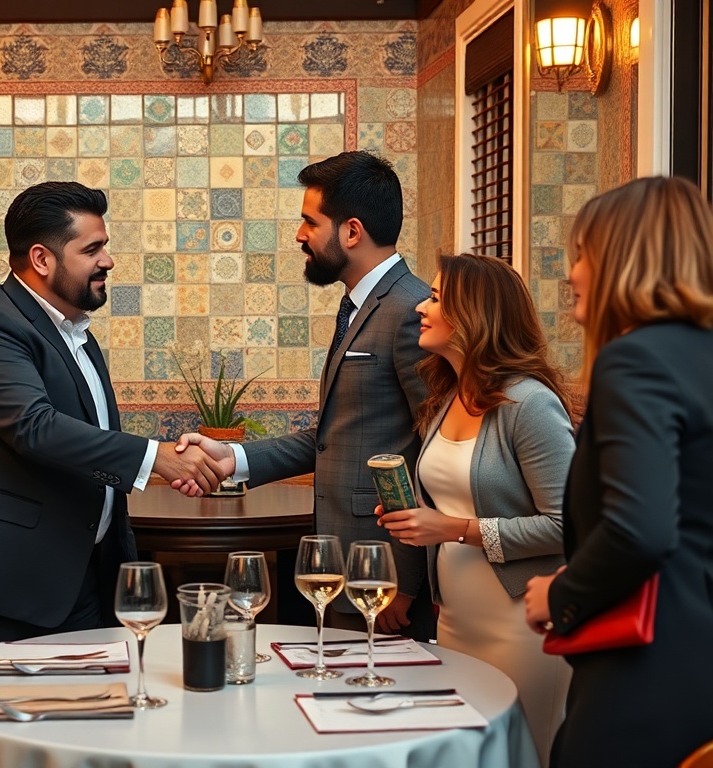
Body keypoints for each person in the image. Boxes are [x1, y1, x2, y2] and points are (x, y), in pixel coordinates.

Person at [0, 182, 226, 661]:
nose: (108, 261)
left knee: (89, 718)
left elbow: (86, 446)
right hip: (2, 583)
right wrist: (154, 457)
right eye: (92, 249)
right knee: (4, 728)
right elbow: (35, 428)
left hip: (80, 578)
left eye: (105, 247)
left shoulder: (76, 332)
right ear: (41, 259)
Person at [175, 152, 435, 640]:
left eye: (309, 222)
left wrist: (408, 582)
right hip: (343, 565)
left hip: (382, 575)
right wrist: (230, 457)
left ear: (351, 232)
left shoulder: (409, 311)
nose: (299, 236)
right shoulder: (360, 306)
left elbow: (431, 450)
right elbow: (331, 437)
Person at [525, 176, 713, 767]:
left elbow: (642, 528)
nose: (571, 273)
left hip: (647, 676)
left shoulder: (636, 359)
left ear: (622, 260)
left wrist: (561, 593)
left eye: (581, 255)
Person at [377, 253, 573, 765]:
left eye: (437, 298)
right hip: (456, 619)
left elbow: (567, 524)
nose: (422, 305)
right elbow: (453, 500)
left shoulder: (529, 405)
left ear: (476, 315)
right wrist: (413, 519)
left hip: (519, 623)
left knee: (523, 753)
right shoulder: (446, 398)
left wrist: (454, 528)